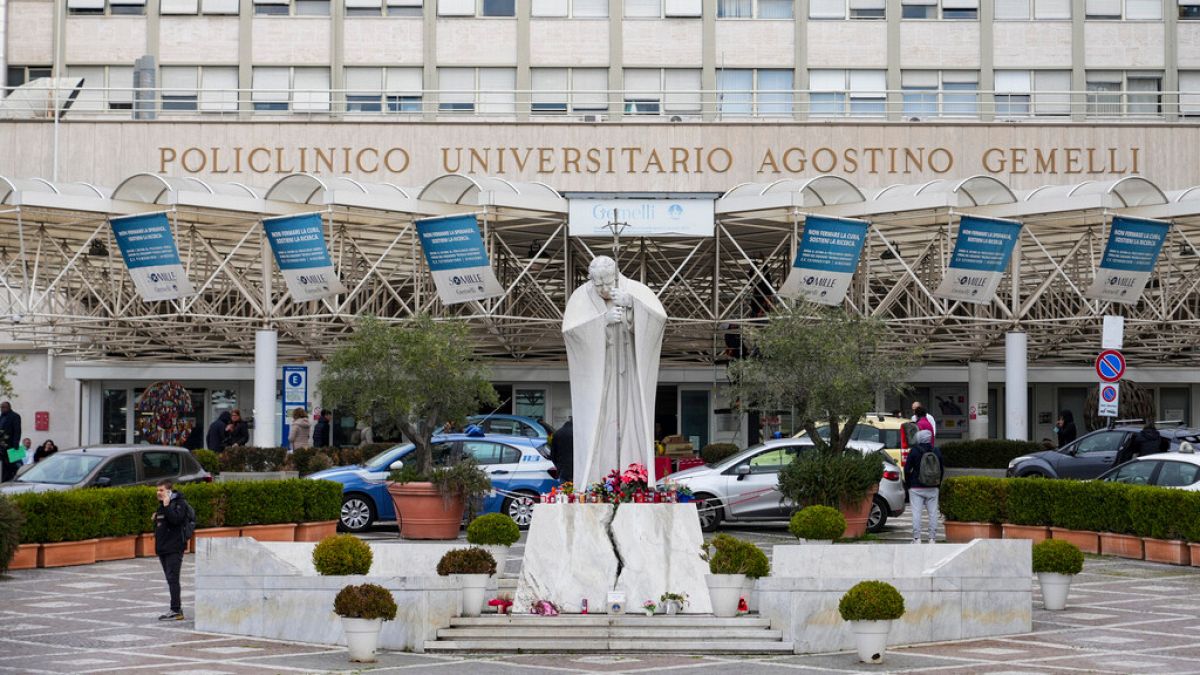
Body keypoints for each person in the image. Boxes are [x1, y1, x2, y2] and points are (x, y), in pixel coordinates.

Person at [562, 255, 667, 487]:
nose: (602, 289)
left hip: (630, 371)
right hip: (601, 373)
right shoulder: (580, 296)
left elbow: (658, 321)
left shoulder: (637, 291)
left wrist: (632, 305)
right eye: (597, 283)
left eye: (607, 283)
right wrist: (603, 321)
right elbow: (571, 333)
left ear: (616, 275)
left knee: (633, 419)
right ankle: (598, 480)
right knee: (600, 423)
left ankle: (633, 479)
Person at [153, 478, 191, 621]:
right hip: (163, 548)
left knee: (173, 578)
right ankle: (175, 608)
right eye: (157, 490)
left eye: (161, 490)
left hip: (174, 547)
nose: (158, 493)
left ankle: (176, 609)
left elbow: (176, 520)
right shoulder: (162, 505)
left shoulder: (179, 503)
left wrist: (167, 505)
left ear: (169, 491)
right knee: (170, 579)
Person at [904, 429, 943, 544]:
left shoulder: (914, 451)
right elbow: (941, 469)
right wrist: (938, 484)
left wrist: (909, 484)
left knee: (917, 513)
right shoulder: (936, 451)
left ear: (919, 438)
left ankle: (917, 538)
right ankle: (932, 538)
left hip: (916, 487)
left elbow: (907, 469)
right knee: (933, 513)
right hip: (933, 486)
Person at [0, 401, 21, 482]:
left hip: (11, 446)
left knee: (12, 466)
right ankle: (4, 480)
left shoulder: (15, 416)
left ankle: (12, 480)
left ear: (9, 407)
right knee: (4, 467)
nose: (2, 409)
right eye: (1, 407)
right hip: (2, 446)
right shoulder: (1, 417)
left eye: (3, 407)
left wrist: (15, 446)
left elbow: (17, 431)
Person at [549, 418, 574, 484]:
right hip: (576, 470)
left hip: (562, 469)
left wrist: (558, 465)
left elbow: (553, 455)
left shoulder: (557, 434)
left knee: (564, 488)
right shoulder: (577, 433)